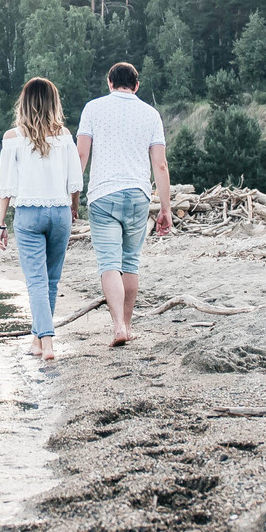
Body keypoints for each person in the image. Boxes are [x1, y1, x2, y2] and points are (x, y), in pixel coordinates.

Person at [77, 62, 172, 346]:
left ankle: (117, 325)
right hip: (138, 195)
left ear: (109, 82)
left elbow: (81, 156)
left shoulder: (93, 109)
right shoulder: (151, 114)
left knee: (109, 263)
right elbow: (161, 164)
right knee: (130, 263)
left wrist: (71, 195)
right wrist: (165, 208)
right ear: (136, 85)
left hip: (103, 195)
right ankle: (128, 327)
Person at [0, 76, 83, 359]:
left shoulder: (12, 138)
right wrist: (74, 209)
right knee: (51, 281)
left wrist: (1, 223)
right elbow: (75, 182)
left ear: (24, 102)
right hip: (60, 213)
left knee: (36, 282)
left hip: (29, 215)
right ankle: (37, 340)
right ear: (53, 103)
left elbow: (6, 186)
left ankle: (47, 344)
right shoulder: (65, 136)